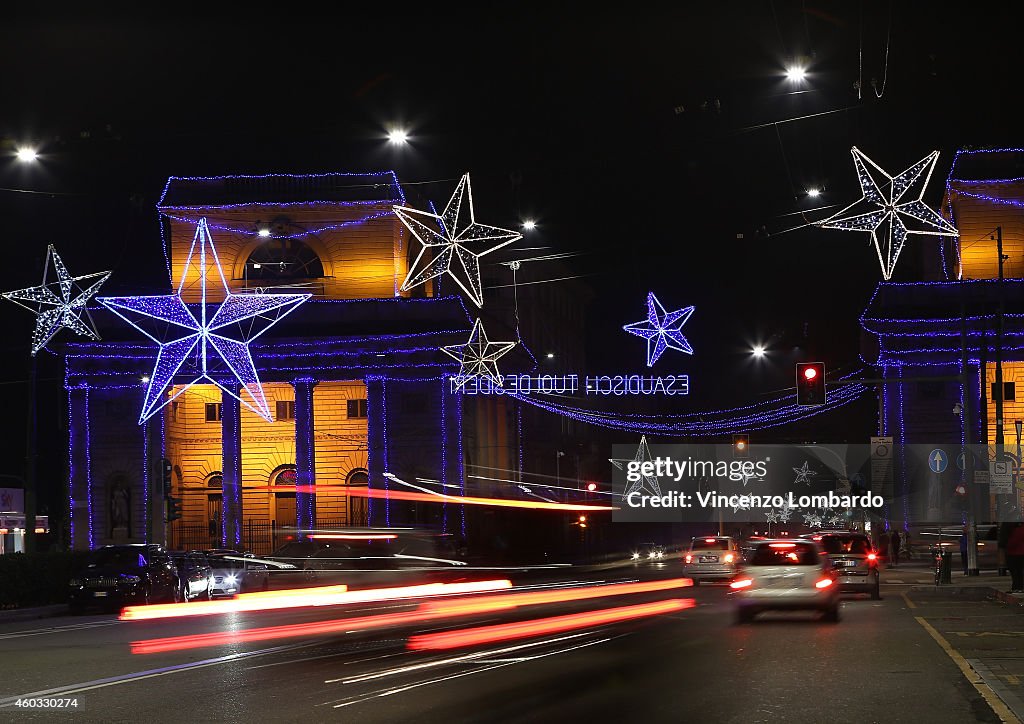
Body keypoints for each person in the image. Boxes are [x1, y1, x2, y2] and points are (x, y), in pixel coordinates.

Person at [1007, 522, 1024, 594]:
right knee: (1019, 572)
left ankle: (1017, 587)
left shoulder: (1017, 530)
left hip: (1015, 553)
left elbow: (1013, 542)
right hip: (1019, 553)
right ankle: (1019, 587)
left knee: (1016, 572)